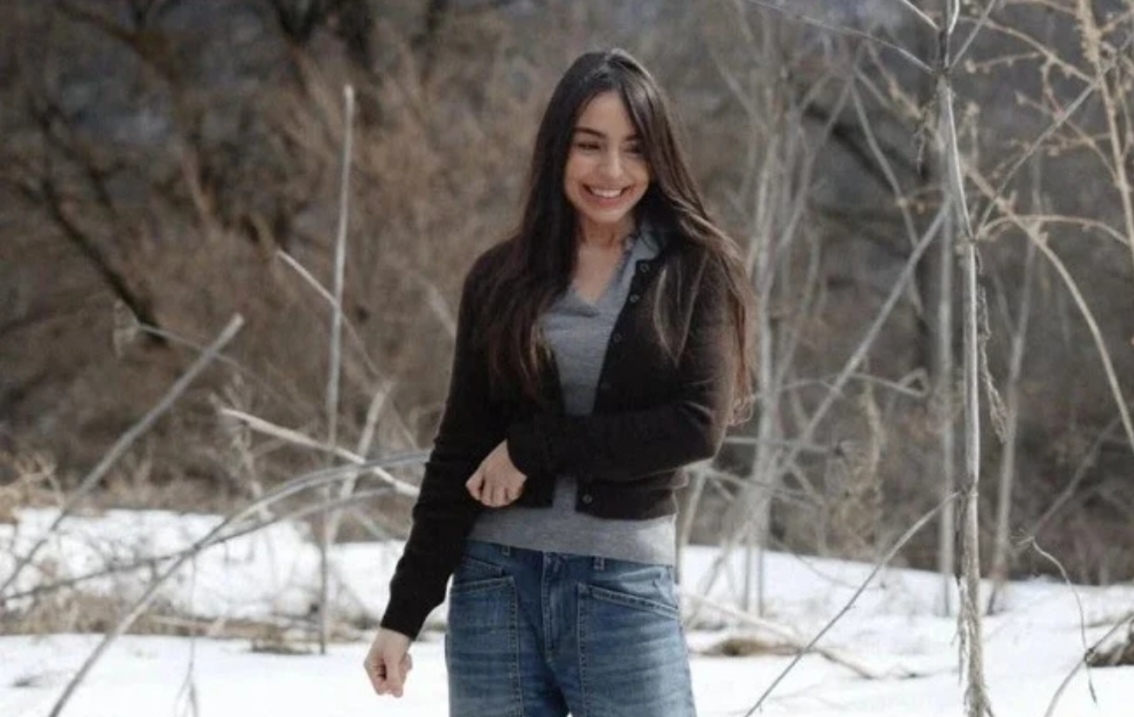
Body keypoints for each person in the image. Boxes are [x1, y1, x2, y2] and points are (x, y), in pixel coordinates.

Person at [363, 48, 755, 717]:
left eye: (635, 148)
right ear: (557, 151)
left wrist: (533, 447)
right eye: (590, 145)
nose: (612, 171)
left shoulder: (694, 270)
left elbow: (696, 425)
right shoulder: (500, 276)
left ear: (659, 156)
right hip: (493, 587)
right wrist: (403, 613)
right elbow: (459, 448)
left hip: (622, 588)